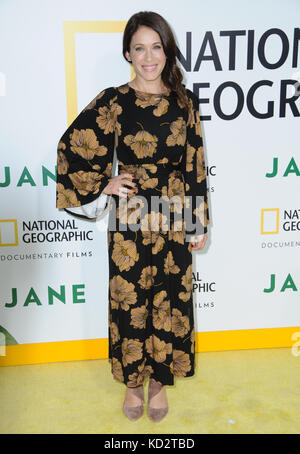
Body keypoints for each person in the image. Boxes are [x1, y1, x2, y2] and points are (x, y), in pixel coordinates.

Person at [56, 11, 210, 422]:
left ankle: (158, 382)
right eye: (139, 48)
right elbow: (74, 146)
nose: (148, 56)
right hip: (131, 217)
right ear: (128, 52)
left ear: (166, 51)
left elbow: (194, 163)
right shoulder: (114, 100)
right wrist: (104, 183)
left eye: (156, 47)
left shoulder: (185, 102)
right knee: (130, 305)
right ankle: (131, 384)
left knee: (169, 303)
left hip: (175, 216)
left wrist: (199, 221)